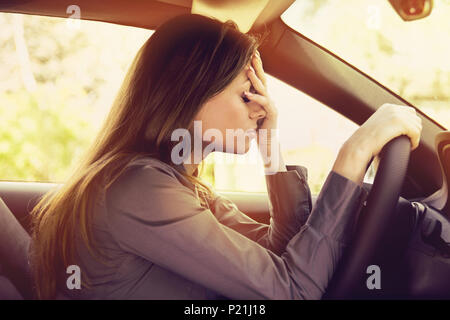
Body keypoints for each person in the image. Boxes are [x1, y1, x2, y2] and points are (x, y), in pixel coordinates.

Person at [29, 14, 422, 300]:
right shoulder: (137, 189)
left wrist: (269, 142)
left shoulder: (177, 183)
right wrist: (353, 156)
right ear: (191, 94)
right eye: (245, 93)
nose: (260, 107)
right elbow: (294, 291)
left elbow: (281, 254)